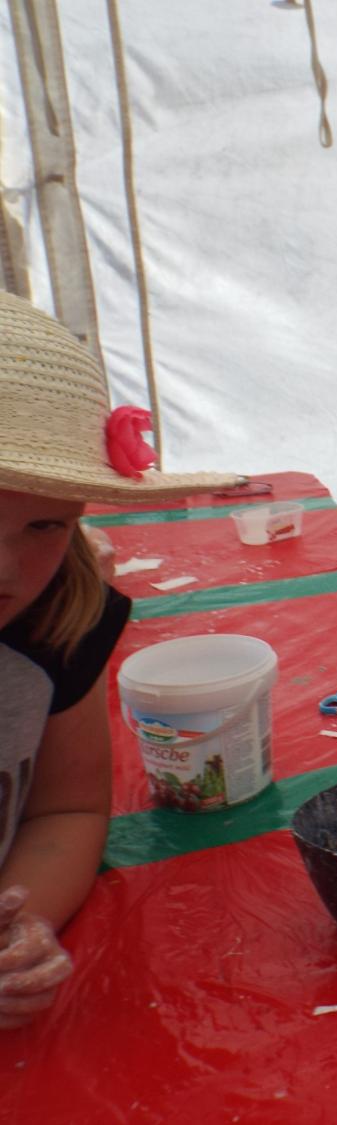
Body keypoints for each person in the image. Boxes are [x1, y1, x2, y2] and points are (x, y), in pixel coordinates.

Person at [0, 290, 239, 1029]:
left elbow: (67, 808)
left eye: (45, 524)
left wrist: (20, 929)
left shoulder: (58, 618)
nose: (5, 570)